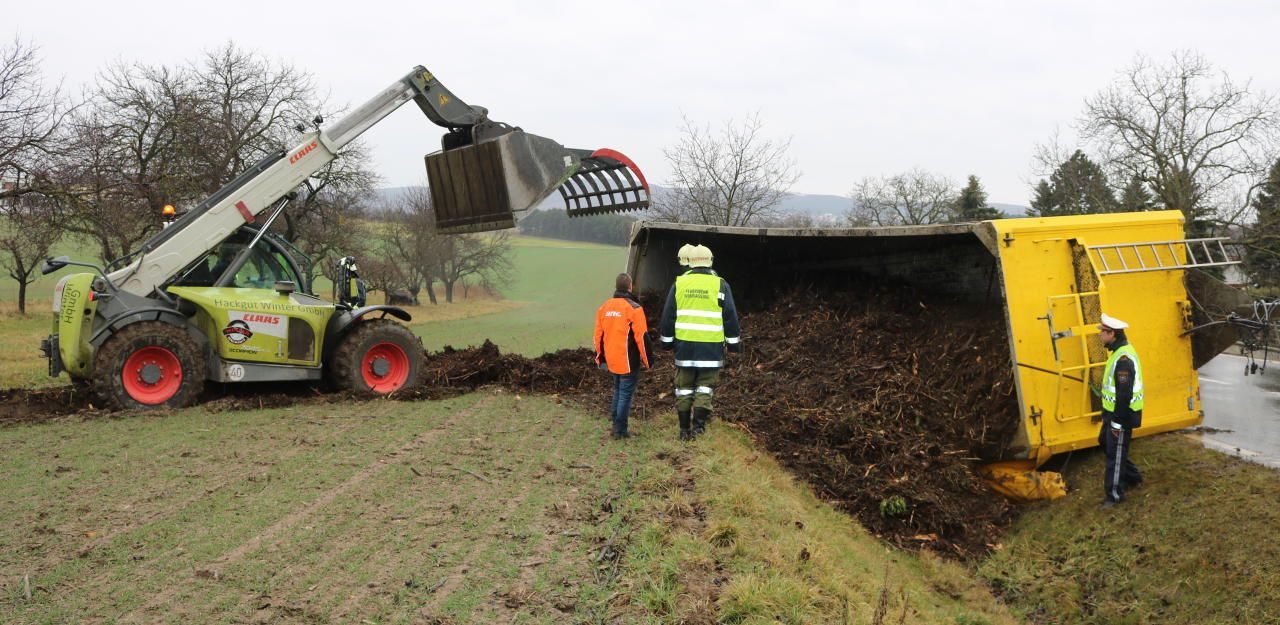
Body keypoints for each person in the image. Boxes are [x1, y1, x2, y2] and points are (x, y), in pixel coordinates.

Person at [659, 244, 741, 440]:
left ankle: (683, 430)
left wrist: (667, 342)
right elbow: (730, 317)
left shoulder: (679, 284)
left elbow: (668, 316)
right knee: (705, 387)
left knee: (683, 388)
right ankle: (698, 429)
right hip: (711, 349)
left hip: (685, 347)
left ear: (690, 263)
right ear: (710, 261)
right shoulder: (721, 284)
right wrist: (733, 345)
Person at [593, 272, 651, 439]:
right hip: (628, 361)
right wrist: (648, 361)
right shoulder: (635, 309)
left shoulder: (604, 307)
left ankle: (615, 425)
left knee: (618, 391)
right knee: (624, 394)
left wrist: (600, 358)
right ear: (630, 286)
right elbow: (642, 338)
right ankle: (620, 430)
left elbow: (598, 336)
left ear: (616, 287)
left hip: (612, 359)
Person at [1097, 313, 1144, 508]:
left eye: (1102, 332)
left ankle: (1115, 495)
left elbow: (1124, 395)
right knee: (1105, 444)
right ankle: (1133, 477)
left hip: (1122, 416)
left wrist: (1117, 422)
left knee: (1115, 454)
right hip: (1112, 414)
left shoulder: (1123, 359)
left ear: (1112, 334)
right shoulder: (1117, 353)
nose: (1100, 335)